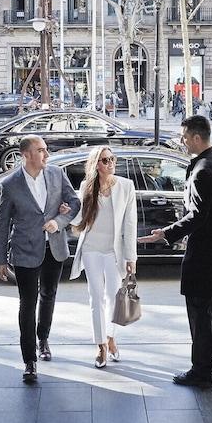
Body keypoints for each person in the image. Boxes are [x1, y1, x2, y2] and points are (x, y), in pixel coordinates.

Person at [145, 114, 212, 386]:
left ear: (196, 137)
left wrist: (166, 233)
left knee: (200, 314)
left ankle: (202, 371)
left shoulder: (203, 169)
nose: (182, 142)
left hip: (204, 256)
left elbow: (197, 216)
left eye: (184, 137)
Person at [0, 135, 80, 384]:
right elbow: (2, 223)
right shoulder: (11, 184)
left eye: (46, 150)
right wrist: (0, 259)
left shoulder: (56, 174)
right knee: (27, 303)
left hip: (54, 247)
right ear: (26, 154)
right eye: (41, 150)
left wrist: (59, 221)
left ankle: (44, 338)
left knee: (49, 294)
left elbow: (74, 203)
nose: (46, 154)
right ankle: (29, 360)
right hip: (24, 250)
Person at [69, 144, 138, 369]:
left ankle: (110, 337)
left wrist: (131, 257)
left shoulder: (126, 187)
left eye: (112, 159)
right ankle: (100, 345)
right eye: (105, 160)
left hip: (113, 251)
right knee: (95, 296)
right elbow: (79, 219)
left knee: (114, 297)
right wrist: (65, 213)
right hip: (91, 248)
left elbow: (130, 224)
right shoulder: (86, 186)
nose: (110, 163)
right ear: (96, 164)